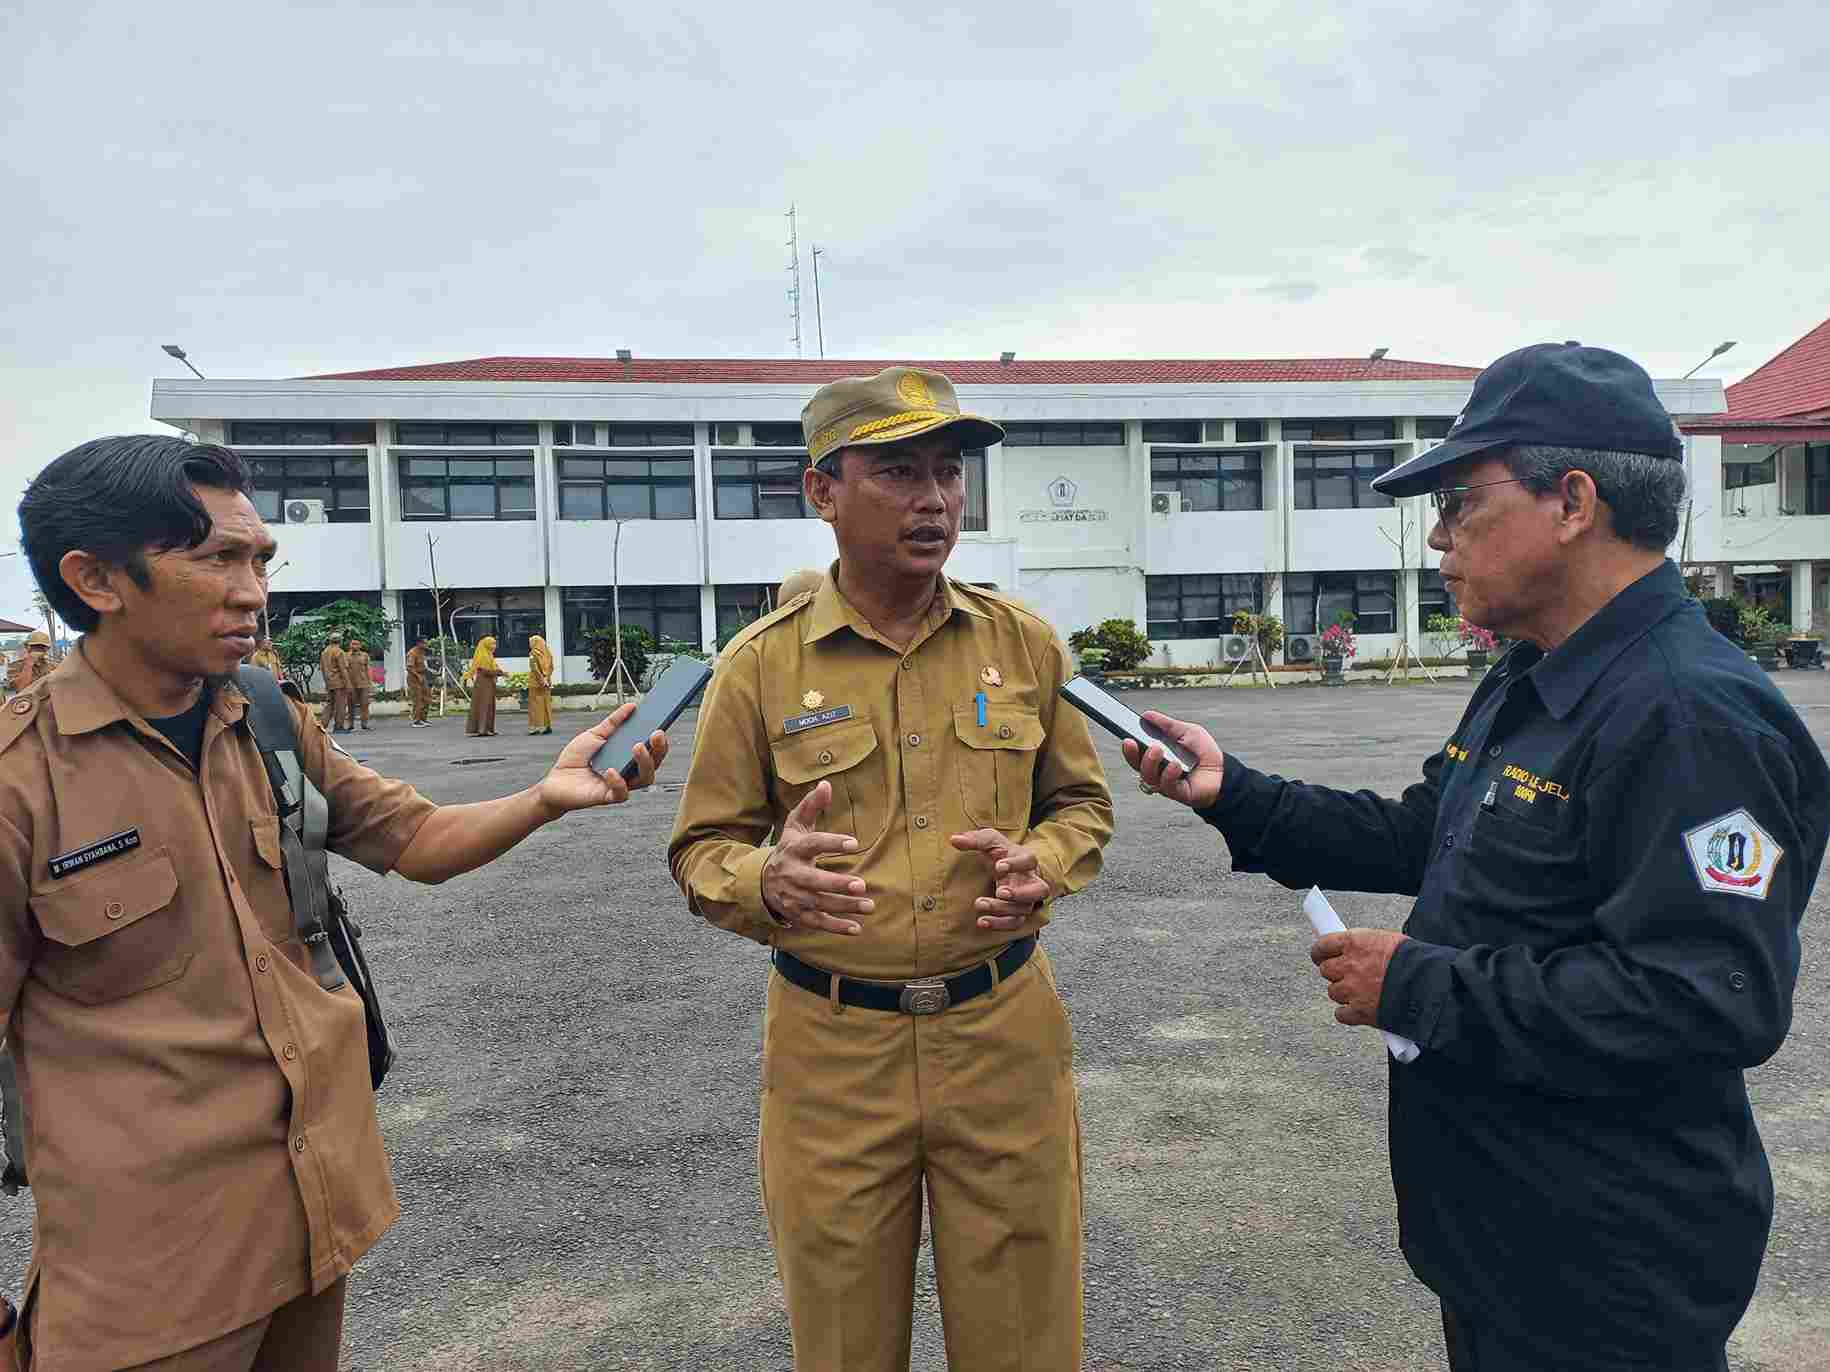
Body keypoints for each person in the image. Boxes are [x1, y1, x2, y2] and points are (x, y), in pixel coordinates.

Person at [1124, 344, 1830, 1372]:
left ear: (1573, 501)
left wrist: (1418, 983)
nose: (1440, 539)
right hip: (1507, 1227)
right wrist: (1237, 793)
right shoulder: (1537, 672)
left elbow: (1704, 997)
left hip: (1610, 1254)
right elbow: (1431, 830)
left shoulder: (1691, 713)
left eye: (1461, 504)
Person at [0, 434, 669, 1371]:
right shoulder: (21, 779)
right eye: (217, 559)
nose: (253, 592)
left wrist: (544, 796)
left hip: (315, 1216)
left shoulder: (265, 716)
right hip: (147, 1275)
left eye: (259, 559)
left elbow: (418, 841)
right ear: (97, 580)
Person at [670, 367, 1114, 1371]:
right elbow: (702, 847)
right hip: (834, 1049)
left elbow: (1082, 804)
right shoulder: (762, 665)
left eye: (950, 473)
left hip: (1003, 1035)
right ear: (821, 491)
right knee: (842, 1338)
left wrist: (1042, 862)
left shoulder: (1025, 645)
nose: (936, 499)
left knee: (1026, 1339)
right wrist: (766, 882)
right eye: (900, 471)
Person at [463, 636, 499, 737]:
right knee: (483, 705)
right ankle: (482, 729)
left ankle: (488, 728)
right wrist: (499, 673)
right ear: (487, 645)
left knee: (489, 705)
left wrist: (498, 672)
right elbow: (485, 671)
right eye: (492, 644)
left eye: (494, 644)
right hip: (483, 684)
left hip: (489, 683)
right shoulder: (482, 656)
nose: (494, 646)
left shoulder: (489, 655)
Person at [317, 631, 351, 734]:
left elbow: (322, 668)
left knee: (330, 704)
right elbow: (343, 669)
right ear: (340, 641)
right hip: (339, 683)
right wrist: (348, 683)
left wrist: (327, 682)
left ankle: (321, 726)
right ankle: (339, 727)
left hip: (329, 682)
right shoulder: (339, 652)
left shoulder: (325, 652)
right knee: (341, 705)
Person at [526, 634, 554, 735]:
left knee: (535, 706)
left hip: (536, 683)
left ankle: (535, 728)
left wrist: (542, 680)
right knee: (546, 704)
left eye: (531, 642)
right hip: (546, 683)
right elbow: (551, 667)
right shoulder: (548, 653)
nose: (530, 644)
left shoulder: (533, 653)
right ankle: (547, 726)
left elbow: (535, 669)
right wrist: (547, 678)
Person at [346, 636, 374, 731]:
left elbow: (368, 669)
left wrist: (370, 683)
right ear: (349, 645)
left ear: (360, 646)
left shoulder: (365, 655)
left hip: (364, 683)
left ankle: (364, 724)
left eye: (356, 644)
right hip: (351, 684)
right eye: (352, 644)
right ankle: (350, 724)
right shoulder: (346, 656)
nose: (354, 646)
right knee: (350, 705)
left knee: (365, 704)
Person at [405, 636, 430, 727]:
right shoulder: (412, 653)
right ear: (419, 643)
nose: (426, 644)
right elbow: (409, 667)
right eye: (424, 643)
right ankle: (416, 721)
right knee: (417, 699)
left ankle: (423, 719)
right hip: (414, 678)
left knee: (427, 698)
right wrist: (418, 675)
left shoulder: (422, 652)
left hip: (422, 676)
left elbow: (423, 665)